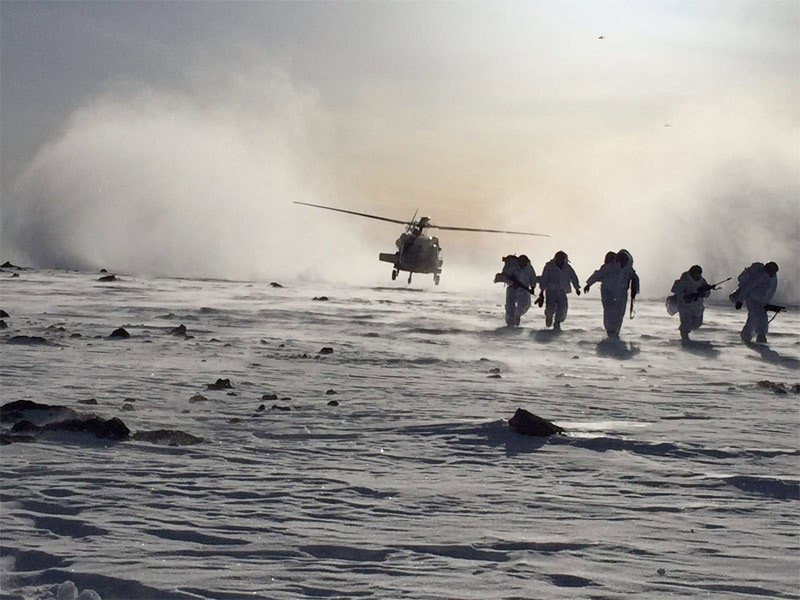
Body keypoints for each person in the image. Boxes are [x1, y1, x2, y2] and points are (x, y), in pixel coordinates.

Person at [735, 261, 779, 344]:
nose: (773, 273)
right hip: (752, 299)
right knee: (757, 317)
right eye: (771, 271)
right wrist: (740, 300)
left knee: (758, 317)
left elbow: (770, 292)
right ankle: (757, 336)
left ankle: (751, 335)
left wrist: (767, 303)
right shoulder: (759, 276)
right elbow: (747, 288)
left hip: (762, 302)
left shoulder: (773, 278)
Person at [537, 251, 580, 330]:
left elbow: (573, 277)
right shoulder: (549, 266)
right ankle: (549, 316)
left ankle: (557, 322)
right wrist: (542, 290)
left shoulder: (567, 267)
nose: (561, 260)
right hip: (551, 290)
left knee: (563, 307)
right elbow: (544, 278)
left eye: (562, 258)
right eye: (559, 258)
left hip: (562, 290)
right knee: (550, 307)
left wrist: (576, 287)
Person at [603, 249, 640, 338]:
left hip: (622, 294)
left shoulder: (628, 270)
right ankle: (610, 329)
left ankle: (615, 331)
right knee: (608, 311)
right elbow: (599, 274)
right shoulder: (610, 267)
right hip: (608, 292)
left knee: (620, 312)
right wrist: (589, 283)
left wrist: (634, 292)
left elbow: (635, 280)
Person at [494, 254, 537, 327]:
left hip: (524, 289)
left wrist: (532, 287)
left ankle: (517, 315)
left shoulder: (529, 267)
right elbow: (504, 276)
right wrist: (512, 283)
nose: (524, 264)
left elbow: (533, 277)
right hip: (512, 288)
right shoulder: (511, 266)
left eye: (525, 263)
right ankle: (510, 323)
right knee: (510, 306)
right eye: (522, 262)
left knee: (525, 305)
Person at [670, 265, 710, 342]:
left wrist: (703, 293)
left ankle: (686, 330)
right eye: (696, 273)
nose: (697, 275)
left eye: (699, 273)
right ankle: (685, 339)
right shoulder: (684, 280)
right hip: (685, 307)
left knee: (697, 324)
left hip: (697, 306)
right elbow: (677, 291)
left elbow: (707, 293)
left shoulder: (702, 281)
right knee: (685, 324)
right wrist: (686, 297)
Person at [583, 251, 619, 335]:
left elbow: (597, 275)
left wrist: (588, 284)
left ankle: (610, 329)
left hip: (608, 291)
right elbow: (598, 275)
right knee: (614, 310)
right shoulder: (617, 267)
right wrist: (588, 284)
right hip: (613, 291)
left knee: (608, 310)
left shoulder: (609, 267)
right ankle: (613, 329)